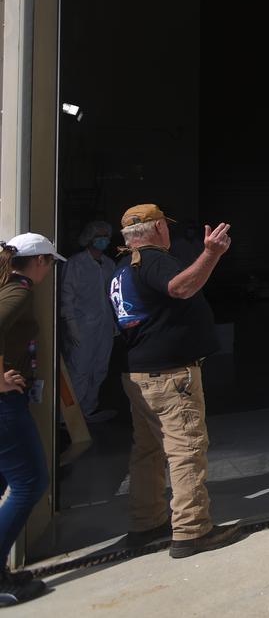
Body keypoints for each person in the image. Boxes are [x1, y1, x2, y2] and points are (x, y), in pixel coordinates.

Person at [110, 203, 241, 558]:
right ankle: (192, 530)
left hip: (140, 375)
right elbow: (181, 288)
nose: (168, 231)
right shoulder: (153, 259)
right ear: (155, 229)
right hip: (169, 375)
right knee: (185, 449)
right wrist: (211, 254)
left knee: (148, 451)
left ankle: (145, 522)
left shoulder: (124, 268)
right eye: (164, 226)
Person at [0, 234, 64, 605]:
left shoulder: (10, 285)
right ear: (39, 261)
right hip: (4, 405)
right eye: (51, 262)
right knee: (29, 483)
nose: (51, 269)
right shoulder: (19, 292)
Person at [59, 220, 118, 422]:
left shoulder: (110, 265)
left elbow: (113, 297)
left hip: (104, 327)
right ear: (88, 238)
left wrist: (114, 324)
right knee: (79, 370)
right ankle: (67, 417)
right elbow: (66, 297)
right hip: (81, 326)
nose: (103, 240)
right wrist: (71, 326)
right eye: (98, 236)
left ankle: (87, 410)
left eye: (106, 236)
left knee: (100, 369)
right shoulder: (75, 263)